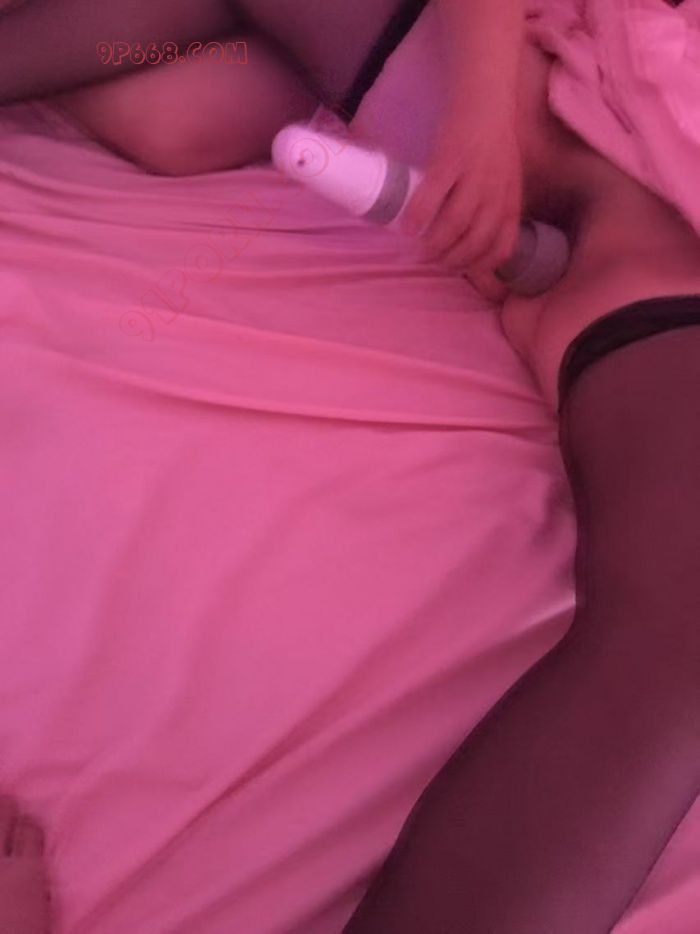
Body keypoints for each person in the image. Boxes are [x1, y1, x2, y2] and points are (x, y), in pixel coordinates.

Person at [0, 2, 698, 933]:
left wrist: (477, 119)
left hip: (613, 253)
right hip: (587, 224)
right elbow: (186, 119)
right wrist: (479, 117)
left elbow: (191, 117)